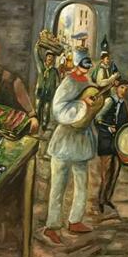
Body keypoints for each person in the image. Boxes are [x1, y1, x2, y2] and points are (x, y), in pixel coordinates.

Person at [43, 50, 98, 245]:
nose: (86, 69)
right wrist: (82, 104)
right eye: (83, 65)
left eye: (88, 65)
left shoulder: (87, 81)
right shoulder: (68, 83)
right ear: (76, 64)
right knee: (58, 185)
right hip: (65, 141)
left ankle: (75, 220)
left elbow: (92, 104)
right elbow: (58, 110)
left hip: (81, 140)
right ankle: (52, 226)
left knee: (82, 184)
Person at [95, 80, 128, 213]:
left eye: (126, 89)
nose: (124, 91)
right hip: (106, 142)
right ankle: (101, 200)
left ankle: (107, 198)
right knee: (106, 173)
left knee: (115, 172)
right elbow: (97, 119)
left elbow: (127, 123)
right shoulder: (109, 101)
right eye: (122, 87)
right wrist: (107, 128)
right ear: (116, 88)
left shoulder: (124, 104)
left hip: (118, 143)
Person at [33, 41, 60, 131]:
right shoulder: (41, 67)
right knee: (37, 108)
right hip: (40, 92)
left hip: (48, 94)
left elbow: (58, 83)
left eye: (52, 57)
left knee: (46, 110)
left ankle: (44, 125)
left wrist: (55, 92)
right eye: (49, 56)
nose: (50, 58)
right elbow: (37, 57)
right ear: (46, 57)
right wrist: (36, 47)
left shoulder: (54, 71)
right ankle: (37, 124)